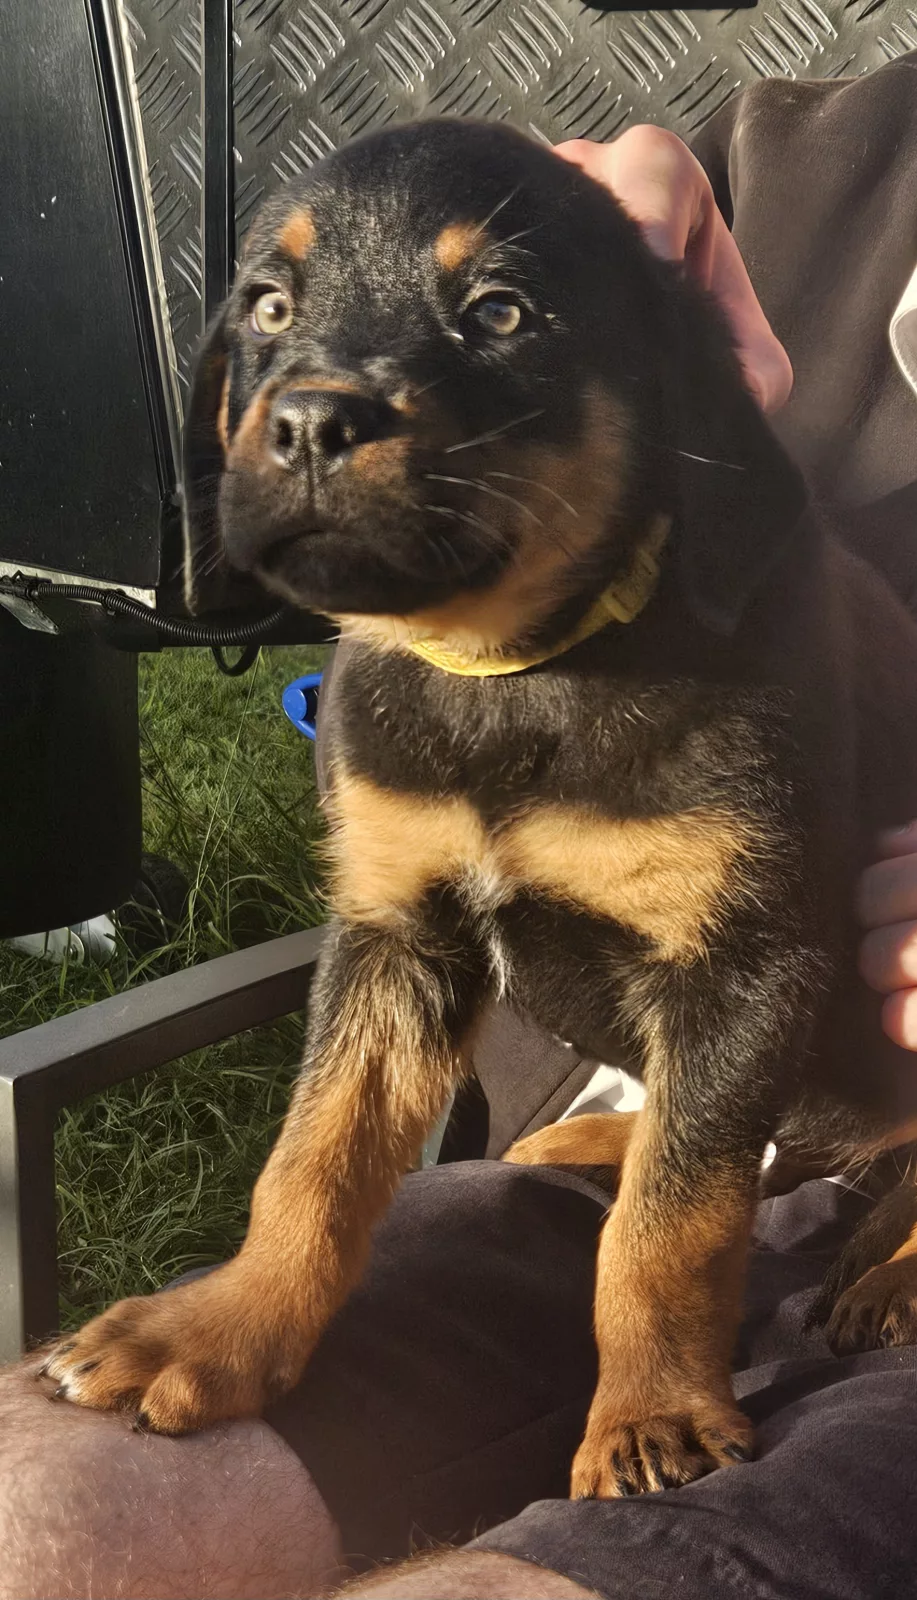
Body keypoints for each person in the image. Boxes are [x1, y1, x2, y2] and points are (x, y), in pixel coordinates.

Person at [2, 55, 917, 1600]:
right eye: (275, 314)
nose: (317, 401)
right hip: (628, 1156)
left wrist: (657, 1340)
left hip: (781, 1170)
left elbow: (742, 972)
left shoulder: (733, 691)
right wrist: (276, 1277)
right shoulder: (805, 160)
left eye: (490, 314)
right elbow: (396, 977)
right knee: (39, 1514)